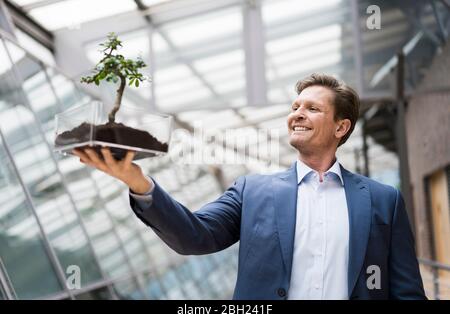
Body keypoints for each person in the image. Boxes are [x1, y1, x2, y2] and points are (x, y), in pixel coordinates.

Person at [73, 73, 426, 300]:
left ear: (340, 127)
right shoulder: (252, 191)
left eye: (313, 108)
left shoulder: (383, 200)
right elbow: (194, 236)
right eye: (295, 106)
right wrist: (138, 181)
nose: (297, 113)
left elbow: (407, 290)